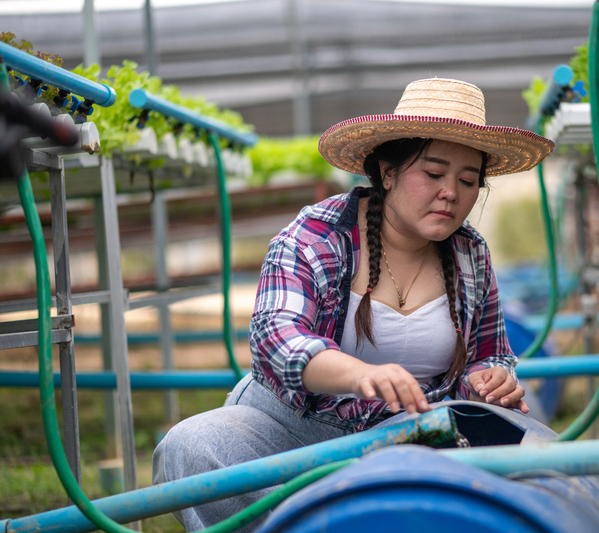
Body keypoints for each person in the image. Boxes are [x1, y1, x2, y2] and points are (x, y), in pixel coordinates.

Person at [152, 77, 554, 532]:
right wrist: (363, 375)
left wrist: (488, 381)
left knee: (521, 451)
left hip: (409, 437)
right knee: (195, 444)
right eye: (434, 174)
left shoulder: (470, 254)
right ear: (388, 171)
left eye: (467, 181)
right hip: (293, 431)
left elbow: (489, 354)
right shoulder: (317, 235)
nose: (451, 193)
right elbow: (277, 341)